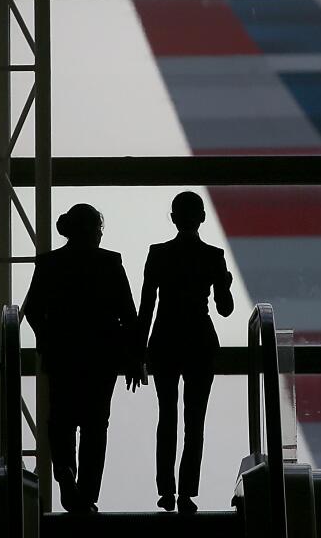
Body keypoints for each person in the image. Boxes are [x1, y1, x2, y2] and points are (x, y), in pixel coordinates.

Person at [22, 204, 141, 514]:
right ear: (92, 230)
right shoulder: (110, 262)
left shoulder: (49, 263)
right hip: (103, 355)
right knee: (95, 424)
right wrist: (133, 358)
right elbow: (128, 315)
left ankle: (64, 470)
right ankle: (87, 495)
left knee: (61, 419)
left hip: (62, 352)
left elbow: (32, 309)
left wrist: (47, 338)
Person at [138, 191, 234, 514]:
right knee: (195, 422)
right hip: (199, 343)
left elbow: (147, 308)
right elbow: (224, 309)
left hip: (164, 341)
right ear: (202, 218)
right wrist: (227, 283)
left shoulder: (158, 254)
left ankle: (165, 490)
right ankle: (186, 493)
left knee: (167, 417)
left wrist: (138, 352)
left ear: (174, 218)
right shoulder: (213, 256)